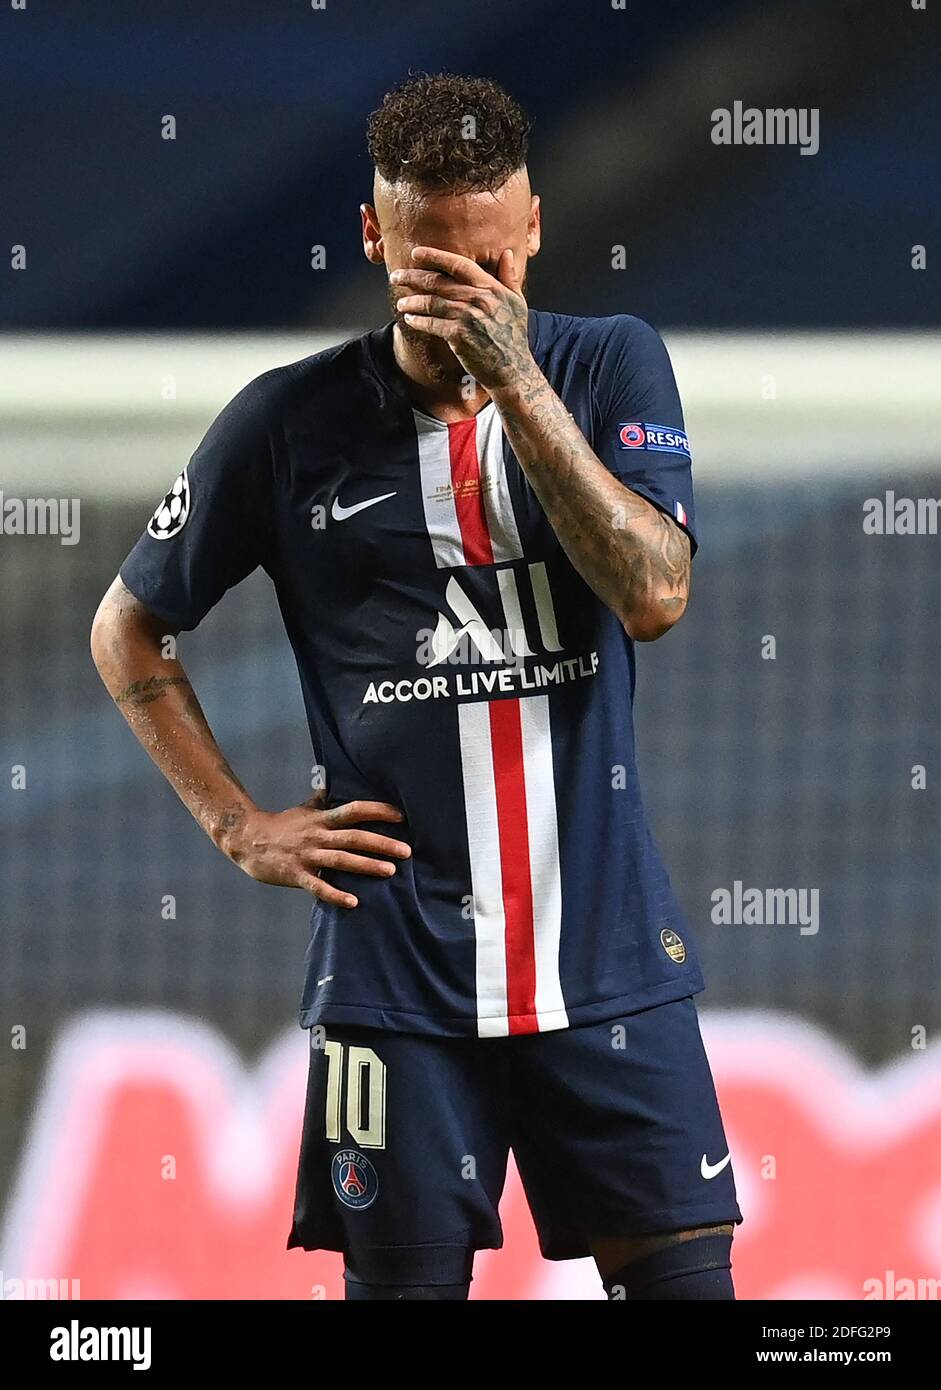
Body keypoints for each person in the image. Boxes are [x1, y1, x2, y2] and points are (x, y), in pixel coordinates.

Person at [92, 72, 741, 1301]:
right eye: (433, 274)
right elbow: (128, 630)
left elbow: (655, 594)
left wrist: (519, 385)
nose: (467, 306)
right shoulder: (285, 425)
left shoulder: (608, 370)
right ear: (373, 236)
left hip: (603, 965)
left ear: (536, 226)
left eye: (492, 269)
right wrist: (239, 823)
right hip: (393, 989)